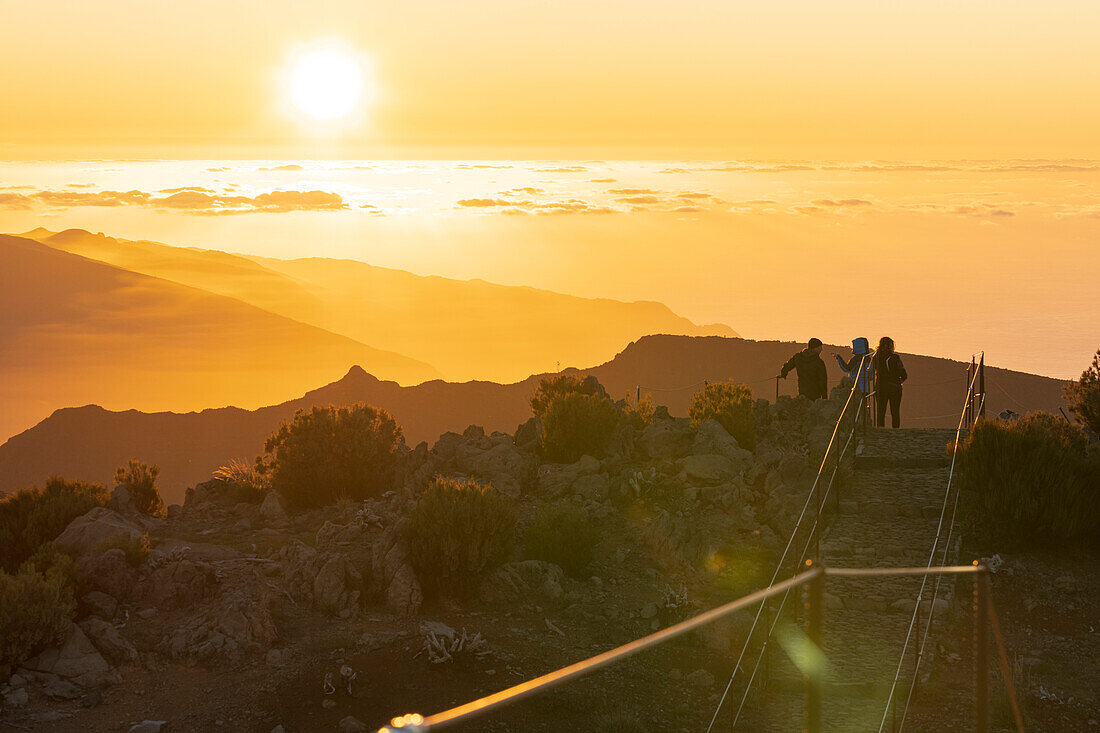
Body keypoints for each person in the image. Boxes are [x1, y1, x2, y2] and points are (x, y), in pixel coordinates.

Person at [872, 336, 907, 428]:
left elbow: (872, 370)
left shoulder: (875, 357)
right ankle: (895, 430)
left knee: (881, 411)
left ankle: (880, 429)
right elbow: (904, 374)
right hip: (894, 387)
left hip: (880, 387)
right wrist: (901, 380)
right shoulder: (895, 357)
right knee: (895, 411)